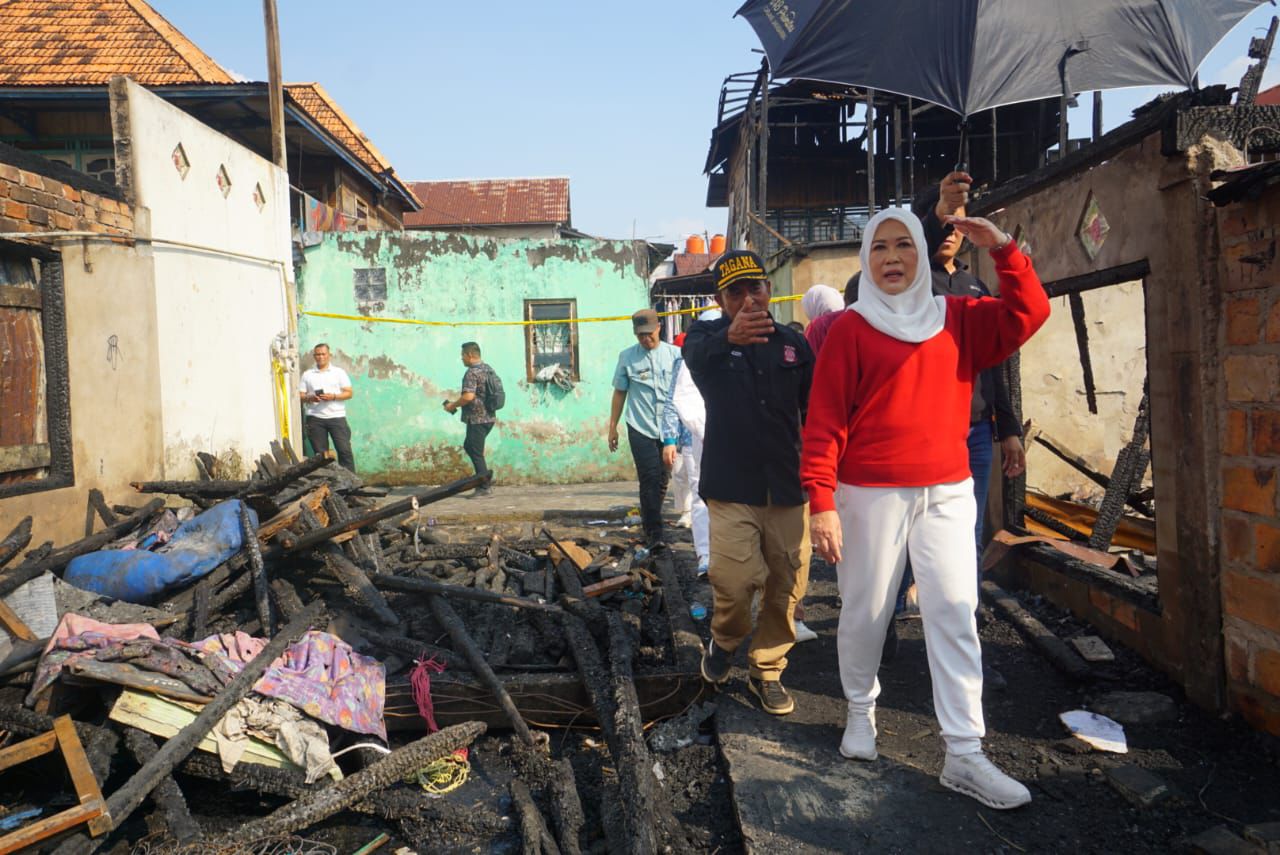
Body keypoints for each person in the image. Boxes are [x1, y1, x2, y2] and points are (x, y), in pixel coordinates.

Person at [801, 208, 1049, 809]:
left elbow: (1029, 313)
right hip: (869, 496)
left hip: (947, 491)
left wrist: (1005, 250)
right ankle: (860, 713)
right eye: (880, 247)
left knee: (956, 613)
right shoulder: (849, 330)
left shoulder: (957, 318)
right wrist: (822, 501)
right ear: (866, 259)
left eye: (903, 246)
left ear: (921, 255)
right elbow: (825, 421)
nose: (891, 257)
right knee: (865, 610)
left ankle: (964, 753)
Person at [684, 251, 813, 716]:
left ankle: (768, 669)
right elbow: (694, 354)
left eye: (754, 287)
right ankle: (723, 641)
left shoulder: (795, 346)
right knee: (734, 583)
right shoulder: (706, 338)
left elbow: (814, 414)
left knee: (786, 585)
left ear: (769, 290)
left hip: (787, 487)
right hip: (731, 487)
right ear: (721, 299)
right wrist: (728, 338)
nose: (747, 298)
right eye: (734, 292)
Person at [912, 187, 1027, 691]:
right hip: (924, 430)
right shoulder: (910, 286)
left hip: (977, 431)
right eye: (944, 225)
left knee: (968, 531)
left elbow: (996, 363)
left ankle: (964, 636)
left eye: (960, 226)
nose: (952, 234)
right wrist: (939, 213)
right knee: (907, 532)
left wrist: (1009, 431)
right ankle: (887, 619)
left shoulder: (977, 287)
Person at [610, 309, 680, 549]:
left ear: (659, 327)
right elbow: (620, 392)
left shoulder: (676, 356)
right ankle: (654, 533)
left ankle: (653, 518)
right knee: (649, 478)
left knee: (663, 477)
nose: (645, 339)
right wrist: (612, 427)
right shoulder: (627, 358)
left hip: (669, 428)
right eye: (640, 335)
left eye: (649, 334)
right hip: (640, 426)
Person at [661, 308, 722, 576]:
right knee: (700, 496)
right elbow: (680, 400)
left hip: (733, 439)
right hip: (702, 440)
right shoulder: (689, 361)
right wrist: (708, 432)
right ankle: (706, 555)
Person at [443, 342, 498, 496]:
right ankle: (483, 477)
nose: (461, 359)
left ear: (470, 355)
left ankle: (484, 485)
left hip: (477, 419)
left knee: (475, 450)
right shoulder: (488, 369)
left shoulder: (472, 372)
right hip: (489, 417)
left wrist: (453, 405)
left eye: (462, 355)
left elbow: (468, 396)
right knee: (470, 446)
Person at [300, 343, 355, 471]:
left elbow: (349, 393)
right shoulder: (308, 374)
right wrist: (310, 398)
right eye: (318, 354)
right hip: (315, 418)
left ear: (329, 355)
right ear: (314, 356)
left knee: (344, 451)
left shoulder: (339, 372)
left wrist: (333, 397)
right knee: (321, 455)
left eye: (323, 354)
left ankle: (352, 483)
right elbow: (300, 396)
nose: (320, 357)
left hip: (337, 417)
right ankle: (328, 482)